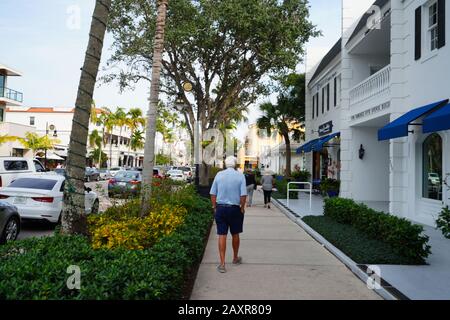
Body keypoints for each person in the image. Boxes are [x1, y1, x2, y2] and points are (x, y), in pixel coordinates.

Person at [210, 156, 247, 274]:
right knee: (235, 233)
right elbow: (243, 195)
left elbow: (213, 193)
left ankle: (222, 264)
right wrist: (242, 207)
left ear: (225, 164)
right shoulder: (240, 175)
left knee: (222, 235)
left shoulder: (219, 175)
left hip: (221, 208)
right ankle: (235, 258)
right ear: (235, 165)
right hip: (235, 209)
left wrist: (214, 207)